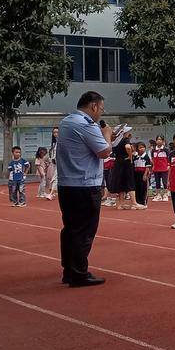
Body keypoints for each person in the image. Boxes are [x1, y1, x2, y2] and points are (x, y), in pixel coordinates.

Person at [57, 91, 113, 287]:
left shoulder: (66, 122)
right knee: (84, 231)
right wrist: (107, 135)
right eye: (101, 109)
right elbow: (104, 151)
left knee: (71, 229)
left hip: (67, 184)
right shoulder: (86, 124)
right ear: (94, 106)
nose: (101, 113)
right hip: (85, 184)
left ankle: (69, 270)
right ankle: (78, 273)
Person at [150, 135, 170, 202]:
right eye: (158, 139)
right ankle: (158, 195)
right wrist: (153, 166)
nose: (159, 141)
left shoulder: (166, 150)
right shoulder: (153, 150)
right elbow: (152, 159)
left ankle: (165, 194)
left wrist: (168, 165)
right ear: (156, 141)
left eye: (160, 139)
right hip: (156, 168)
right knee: (157, 182)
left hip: (164, 168)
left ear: (163, 141)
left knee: (164, 182)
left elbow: (169, 158)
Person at [132, 141, 152, 206]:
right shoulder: (135, 156)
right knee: (137, 187)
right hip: (136, 174)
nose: (142, 149)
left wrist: (145, 174)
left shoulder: (146, 157)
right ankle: (137, 201)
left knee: (143, 188)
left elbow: (147, 167)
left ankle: (143, 201)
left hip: (143, 173)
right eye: (140, 148)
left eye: (143, 147)